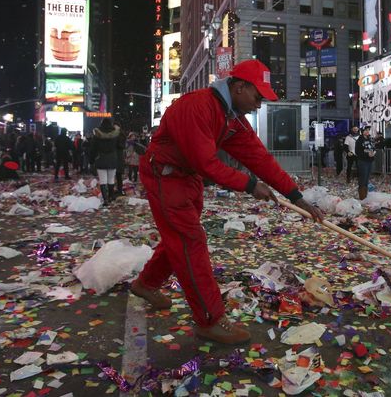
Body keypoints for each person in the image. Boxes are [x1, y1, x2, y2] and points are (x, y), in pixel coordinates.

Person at [130, 59, 323, 345]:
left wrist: (296, 196)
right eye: (258, 97)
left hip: (187, 178)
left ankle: (146, 284)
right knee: (189, 240)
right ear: (240, 86)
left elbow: (259, 158)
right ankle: (209, 320)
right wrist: (249, 185)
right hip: (166, 175)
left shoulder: (231, 117)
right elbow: (206, 162)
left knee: (181, 237)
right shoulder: (199, 106)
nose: (259, 105)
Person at [90, 118, 120, 206]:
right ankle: (111, 196)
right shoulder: (115, 134)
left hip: (101, 158)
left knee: (103, 180)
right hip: (112, 158)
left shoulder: (97, 134)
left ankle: (105, 199)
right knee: (111, 179)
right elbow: (119, 146)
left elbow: (93, 149)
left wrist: (91, 160)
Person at [355, 125, 376, 200]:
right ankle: (362, 196)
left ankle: (365, 195)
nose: (367, 131)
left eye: (368, 130)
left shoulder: (370, 139)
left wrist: (373, 152)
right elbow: (357, 151)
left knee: (367, 178)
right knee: (362, 178)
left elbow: (374, 147)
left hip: (370, 161)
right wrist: (367, 153)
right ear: (362, 131)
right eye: (366, 130)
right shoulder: (359, 140)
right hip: (362, 161)